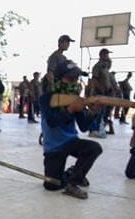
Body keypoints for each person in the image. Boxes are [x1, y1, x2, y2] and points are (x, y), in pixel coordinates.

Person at [39, 62, 102, 199]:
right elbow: (52, 121)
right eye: (70, 78)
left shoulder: (75, 99)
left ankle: (73, 182)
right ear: (58, 79)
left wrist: (93, 113)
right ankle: (71, 173)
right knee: (51, 185)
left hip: (71, 141)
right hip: (54, 147)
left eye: (76, 79)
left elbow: (84, 126)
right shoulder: (46, 99)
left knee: (94, 148)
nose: (73, 82)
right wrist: (70, 109)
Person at [87, 48, 112, 138]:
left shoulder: (104, 66)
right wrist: (100, 88)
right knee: (97, 111)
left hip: (104, 92)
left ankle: (98, 128)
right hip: (98, 92)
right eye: (106, 54)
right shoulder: (97, 66)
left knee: (102, 112)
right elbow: (94, 78)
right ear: (101, 55)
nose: (107, 56)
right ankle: (93, 129)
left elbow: (109, 65)